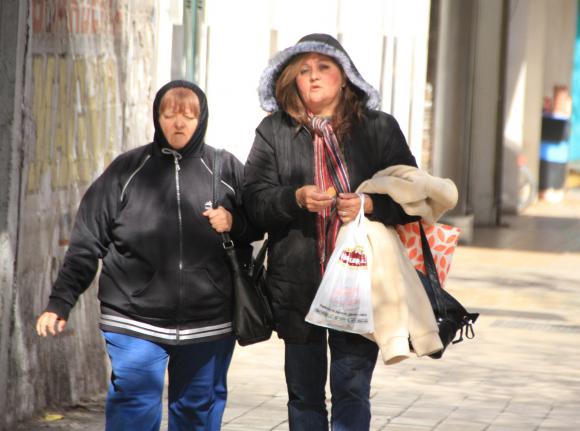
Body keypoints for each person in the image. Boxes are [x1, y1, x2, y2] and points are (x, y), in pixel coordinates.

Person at [36, 80, 258, 431]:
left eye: (188, 115)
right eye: (169, 114)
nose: (179, 124)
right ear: (157, 117)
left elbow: (259, 223)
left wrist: (234, 221)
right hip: (134, 319)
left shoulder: (225, 168)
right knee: (133, 409)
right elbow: (86, 242)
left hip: (209, 320)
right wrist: (59, 302)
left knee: (197, 412)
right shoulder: (126, 171)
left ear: (202, 120)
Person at [243, 33, 419, 430]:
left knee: (352, 391)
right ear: (291, 80)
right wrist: (295, 199)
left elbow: (412, 199)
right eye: (304, 71)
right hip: (297, 286)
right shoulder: (273, 131)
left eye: (324, 68)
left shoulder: (379, 129)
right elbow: (253, 201)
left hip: (359, 282)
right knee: (303, 396)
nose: (314, 77)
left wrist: (369, 205)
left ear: (345, 77)